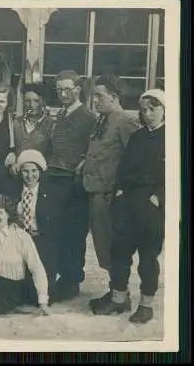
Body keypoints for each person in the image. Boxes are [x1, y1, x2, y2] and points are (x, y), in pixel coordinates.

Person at [92, 89, 165, 324]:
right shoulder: (138, 137)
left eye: (153, 109)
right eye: (143, 110)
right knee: (120, 251)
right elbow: (123, 167)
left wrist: (158, 198)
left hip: (152, 205)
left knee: (147, 257)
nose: (147, 114)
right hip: (128, 202)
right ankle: (119, 298)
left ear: (164, 109)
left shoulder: (172, 138)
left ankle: (146, 304)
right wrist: (121, 193)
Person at [81, 74, 140, 311]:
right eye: (93, 96)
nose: (94, 100)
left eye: (99, 96)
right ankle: (115, 291)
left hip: (110, 194)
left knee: (114, 246)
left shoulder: (124, 121)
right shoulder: (102, 120)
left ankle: (120, 297)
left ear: (114, 97)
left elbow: (135, 159)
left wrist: (122, 191)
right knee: (103, 245)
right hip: (95, 189)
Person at [43, 70, 97, 302]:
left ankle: (71, 280)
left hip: (74, 183)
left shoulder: (88, 117)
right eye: (59, 90)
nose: (63, 93)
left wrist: (82, 165)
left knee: (73, 234)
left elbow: (92, 149)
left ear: (78, 89)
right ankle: (58, 278)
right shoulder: (60, 115)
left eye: (68, 89)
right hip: (55, 179)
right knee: (56, 232)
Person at [12, 149, 58, 302]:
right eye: (25, 171)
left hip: (42, 242)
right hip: (19, 242)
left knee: (40, 293)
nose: (30, 175)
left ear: (40, 171)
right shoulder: (13, 191)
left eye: (34, 171)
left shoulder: (50, 192)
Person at [8, 82, 55, 172]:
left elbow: (53, 154)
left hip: (41, 174)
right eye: (27, 101)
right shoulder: (16, 122)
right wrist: (12, 163)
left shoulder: (51, 125)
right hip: (18, 172)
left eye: (36, 101)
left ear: (43, 101)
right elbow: (10, 149)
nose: (32, 105)